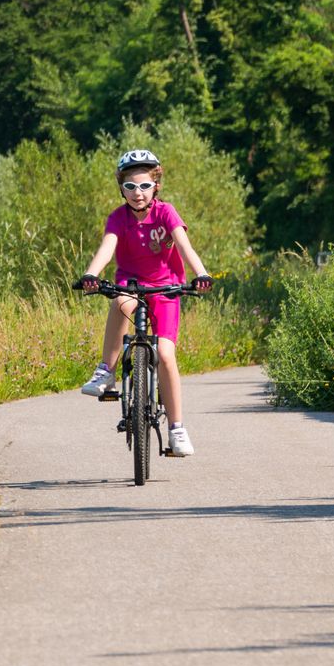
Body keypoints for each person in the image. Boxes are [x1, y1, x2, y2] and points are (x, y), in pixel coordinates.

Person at [75, 148, 213, 456]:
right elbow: (106, 248)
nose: (138, 193)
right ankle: (106, 372)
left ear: (156, 186)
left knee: (165, 354)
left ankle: (177, 430)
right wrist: (91, 274)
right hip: (132, 284)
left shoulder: (166, 213)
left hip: (166, 288)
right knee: (120, 302)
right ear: (121, 187)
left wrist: (201, 274)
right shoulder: (117, 218)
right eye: (130, 186)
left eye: (145, 185)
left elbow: (184, 245)